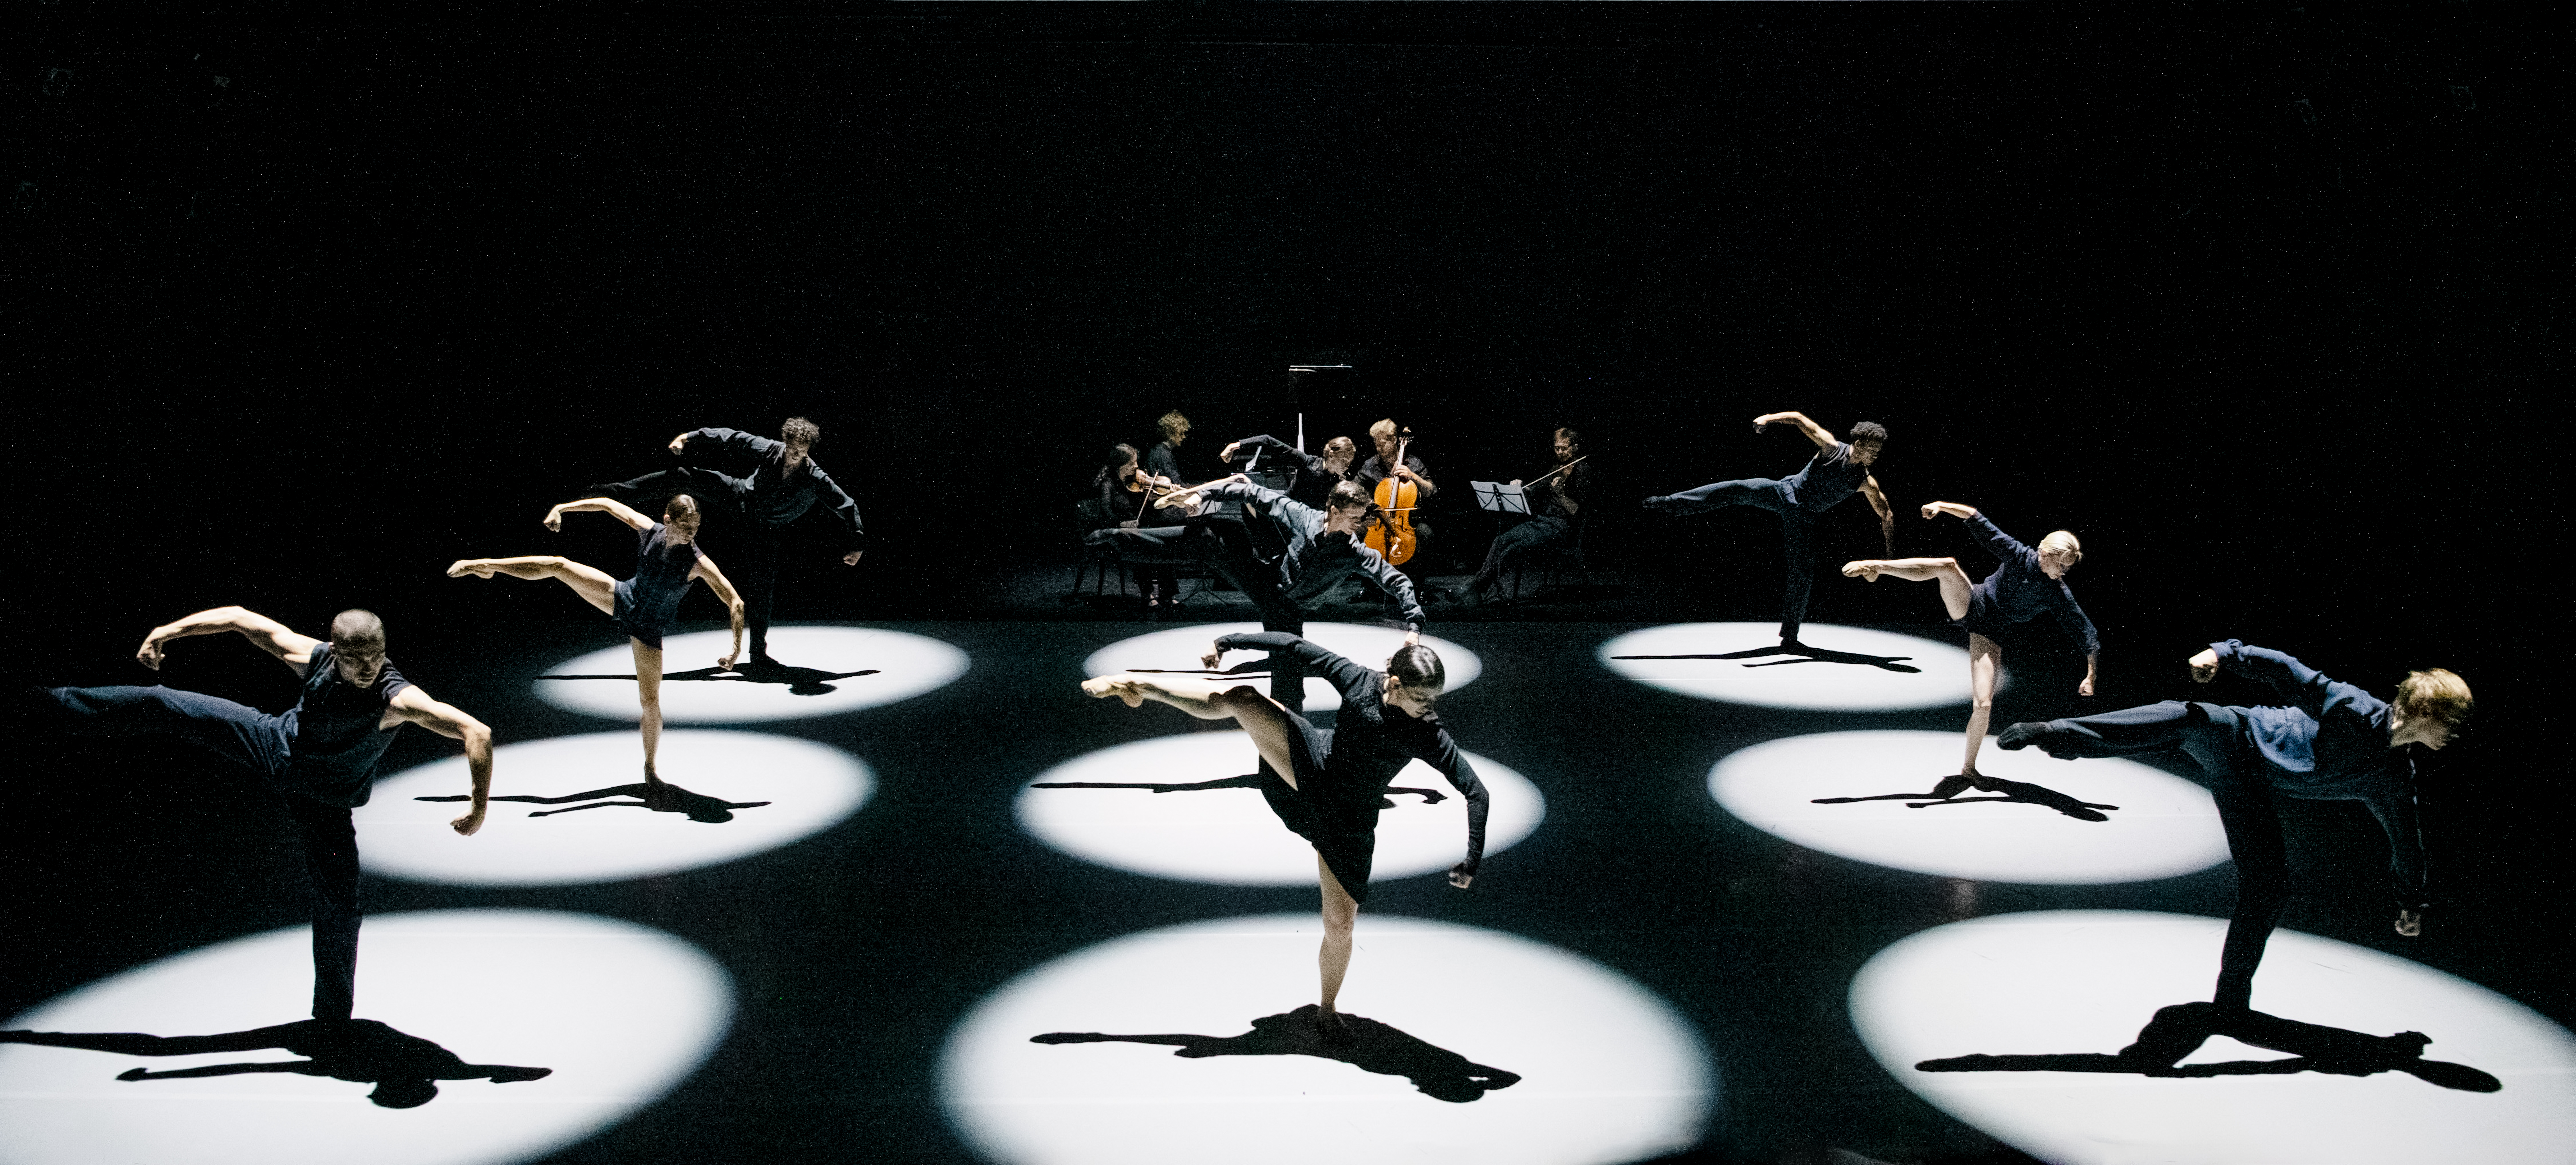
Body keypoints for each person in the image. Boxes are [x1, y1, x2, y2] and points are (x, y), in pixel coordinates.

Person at [33, 607, 496, 1022]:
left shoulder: (396, 699)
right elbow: (241, 619)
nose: (366, 668)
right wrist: (166, 631)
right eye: (354, 658)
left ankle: (332, 1020)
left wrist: (477, 807)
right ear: (334, 650)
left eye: (374, 657)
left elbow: (475, 731)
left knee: (340, 907)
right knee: (166, 702)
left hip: (324, 802)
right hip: (275, 744)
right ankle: (46, 702)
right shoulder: (313, 658)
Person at [1997, 642, 2470, 1010]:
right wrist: (2222, 654)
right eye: (2453, 723)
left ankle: (2231, 999)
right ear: (2426, 712)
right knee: (2189, 717)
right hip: (2237, 739)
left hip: (2253, 785)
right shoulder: (2350, 707)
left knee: (2270, 883)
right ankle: (2052, 732)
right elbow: (2285, 669)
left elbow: (2406, 839)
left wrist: (2411, 901)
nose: (2456, 735)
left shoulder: (2392, 775)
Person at [1080, 631, 1486, 1041]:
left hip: (1348, 822)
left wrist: (1471, 860)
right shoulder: (1358, 680)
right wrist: (1229, 642)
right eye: (1421, 698)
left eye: (1434, 699)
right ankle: (1137, 685)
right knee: (1242, 698)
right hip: (1312, 764)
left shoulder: (1426, 734)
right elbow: (1295, 646)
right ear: (1394, 683)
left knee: (1340, 926)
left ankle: (1327, 1010)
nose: (1429, 708)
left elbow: (1476, 792)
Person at [447, 494, 744, 784]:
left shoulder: (697, 562)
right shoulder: (650, 530)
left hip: (648, 630)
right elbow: (607, 505)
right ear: (668, 520)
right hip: (622, 597)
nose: (692, 534)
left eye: (696, 528)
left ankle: (650, 768)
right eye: (686, 527)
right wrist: (562, 508)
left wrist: (735, 649)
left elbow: (736, 602)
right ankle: (484, 565)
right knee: (559, 565)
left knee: (650, 702)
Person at [1841, 501, 2099, 793]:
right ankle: (1875, 566)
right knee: (1948, 566)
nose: (2065, 571)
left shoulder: (2056, 591)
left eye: (2069, 566)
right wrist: (1941, 506)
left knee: (1984, 704)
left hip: (1990, 634)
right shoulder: (2017, 554)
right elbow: (1978, 520)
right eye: (2062, 564)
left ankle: (1969, 768)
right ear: (2046, 554)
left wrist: (2090, 675)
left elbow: (2084, 629)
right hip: (1971, 603)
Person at [596, 417, 864, 671]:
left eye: (800, 452)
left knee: (762, 586)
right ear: (785, 443)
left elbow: (846, 505)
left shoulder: (815, 477)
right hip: (742, 498)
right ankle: (612, 492)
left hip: (767, 526)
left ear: (808, 451)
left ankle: (758, 652)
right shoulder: (772, 450)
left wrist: (857, 543)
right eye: (791, 450)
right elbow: (732, 438)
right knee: (685, 476)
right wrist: (688, 438)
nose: (793, 456)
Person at [1642, 411, 1895, 645]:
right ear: (1859, 445)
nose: (1875, 455)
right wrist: (1767, 418)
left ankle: (1790, 636)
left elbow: (1886, 514)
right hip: (1784, 493)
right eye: (1872, 450)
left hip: (1805, 518)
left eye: (1879, 452)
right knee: (1739, 488)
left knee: (1803, 574)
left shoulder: (1865, 482)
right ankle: (1671, 503)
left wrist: (1890, 556)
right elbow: (1798, 419)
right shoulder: (1832, 448)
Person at [1, 1019, 552, 1109]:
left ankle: (34, 1036)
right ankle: (35, 1036)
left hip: (321, 1037)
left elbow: (252, 1070)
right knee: (180, 1045)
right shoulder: (437, 1065)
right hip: (327, 1032)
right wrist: (510, 1074)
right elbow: (503, 1069)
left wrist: (165, 1074)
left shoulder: (432, 1068)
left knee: (180, 1047)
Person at [1460, 426, 1590, 605]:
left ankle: (1480, 589)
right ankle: (1478, 587)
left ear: (1575, 447)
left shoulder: (1583, 472)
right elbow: (1538, 489)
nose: (1560, 453)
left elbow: (1576, 511)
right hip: (1542, 523)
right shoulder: (1556, 469)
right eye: (1557, 448)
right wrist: (1522, 487)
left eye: (1564, 448)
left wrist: (1560, 495)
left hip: (1563, 528)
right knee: (1500, 540)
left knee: (1513, 549)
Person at [1092, 443, 1183, 613]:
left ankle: (1168, 594)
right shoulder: (1109, 484)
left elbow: (1146, 505)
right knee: (1143, 546)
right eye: (1132, 463)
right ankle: (1147, 594)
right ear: (1122, 465)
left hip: (1138, 526)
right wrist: (1121, 523)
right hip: (1121, 530)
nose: (1137, 466)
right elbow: (1105, 511)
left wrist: (1166, 494)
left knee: (1161, 544)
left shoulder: (1135, 482)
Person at [1354, 419, 1438, 576]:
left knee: (1426, 535)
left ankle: (1418, 585)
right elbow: (1354, 489)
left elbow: (1431, 490)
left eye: (1383, 444)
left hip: (1407, 522)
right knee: (1357, 532)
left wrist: (1412, 476)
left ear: (1394, 440)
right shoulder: (1370, 465)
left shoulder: (1412, 462)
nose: (1379, 449)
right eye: (1376, 445)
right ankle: (1367, 585)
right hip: (1379, 520)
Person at [1220, 433, 1359, 510]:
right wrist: (1236, 446)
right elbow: (1269, 441)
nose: (1347, 467)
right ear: (1332, 455)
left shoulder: (1340, 482)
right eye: (1345, 462)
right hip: (1288, 512)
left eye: (1349, 463)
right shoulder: (1309, 463)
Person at [1145, 410, 1194, 486]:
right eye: (1181, 434)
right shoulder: (1164, 454)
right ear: (1170, 434)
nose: (1184, 437)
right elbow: (1177, 483)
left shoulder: (1161, 451)